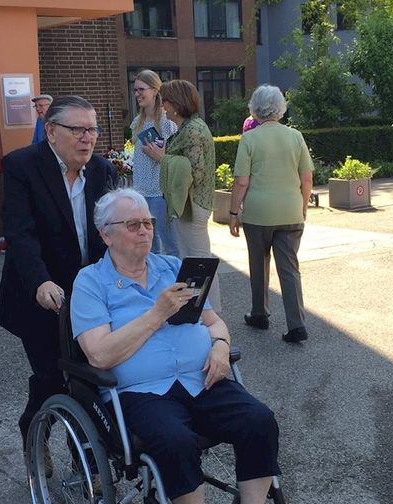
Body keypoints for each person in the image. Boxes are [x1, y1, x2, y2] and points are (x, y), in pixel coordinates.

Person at [71, 188, 300, 504]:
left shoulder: (173, 267)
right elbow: (100, 355)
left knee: (259, 421)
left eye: (148, 223)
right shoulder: (91, 282)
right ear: (106, 235)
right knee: (174, 441)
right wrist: (157, 313)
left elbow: (214, 322)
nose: (145, 232)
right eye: (133, 225)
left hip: (201, 379)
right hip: (141, 392)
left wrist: (222, 348)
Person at [0, 95, 119, 446]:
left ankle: (86, 463)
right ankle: (34, 433)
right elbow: (21, 233)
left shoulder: (102, 170)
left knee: (91, 377)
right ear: (51, 131)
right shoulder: (22, 167)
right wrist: (40, 280)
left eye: (92, 129)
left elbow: (112, 231)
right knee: (51, 376)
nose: (87, 137)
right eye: (77, 129)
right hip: (40, 293)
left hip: (89, 294)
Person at [228, 85, 313, 343]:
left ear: (254, 109)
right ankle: (296, 324)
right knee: (289, 268)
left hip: (258, 213)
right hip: (290, 211)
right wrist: (303, 205)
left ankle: (260, 314)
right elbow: (307, 177)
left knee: (258, 263)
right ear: (280, 108)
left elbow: (242, 181)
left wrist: (234, 212)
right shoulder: (295, 136)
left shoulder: (249, 139)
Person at [142, 79, 222, 312]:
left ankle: (211, 314)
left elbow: (195, 172)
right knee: (194, 261)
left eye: (163, 101)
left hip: (192, 205)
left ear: (175, 103)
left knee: (200, 263)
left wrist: (162, 159)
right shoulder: (188, 128)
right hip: (190, 204)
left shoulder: (193, 130)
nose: (162, 107)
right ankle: (200, 312)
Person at [129, 70, 179, 255]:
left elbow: (173, 157)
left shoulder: (167, 123)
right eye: (135, 90)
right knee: (149, 246)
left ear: (155, 90)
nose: (137, 94)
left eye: (141, 89)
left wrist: (159, 154)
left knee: (170, 244)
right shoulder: (138, 122)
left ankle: (177, 281)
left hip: (159, 193)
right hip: (140, 192)